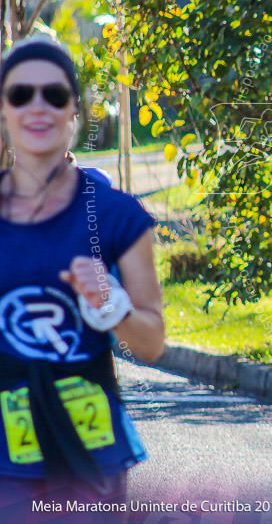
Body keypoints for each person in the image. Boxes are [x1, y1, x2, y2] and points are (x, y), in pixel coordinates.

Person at [0, 36, 165, 521]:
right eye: (19, 94)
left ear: (74, 111)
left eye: (54, 95)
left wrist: (114, 305)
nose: (38, 108)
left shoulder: (115, 214)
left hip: (90, 443)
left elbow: (151, 343)